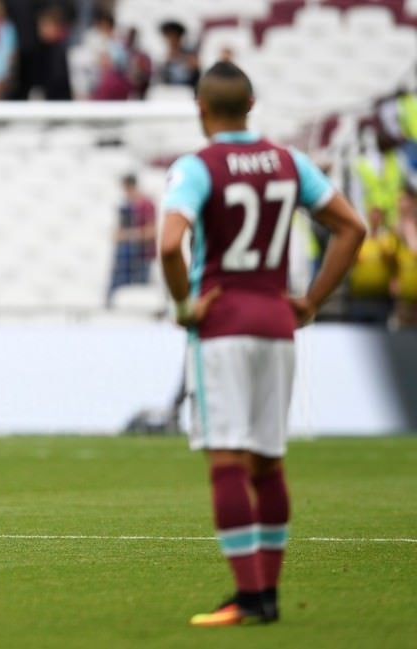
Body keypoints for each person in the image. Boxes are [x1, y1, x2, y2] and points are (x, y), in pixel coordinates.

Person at [159, 62, 365, 626]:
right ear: (252, 106)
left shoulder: (196, 168)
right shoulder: (289, 162)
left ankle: (248, 597)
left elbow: (171, 246)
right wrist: (312, 300)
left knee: (226, 461)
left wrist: (183, 308)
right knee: (268, 463)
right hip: (277, 323)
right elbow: (352, 228)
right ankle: (267, 594)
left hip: (222, 326)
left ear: (201, 109)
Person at [107, 174, 156, 307]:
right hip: (126, 258)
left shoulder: (146, 204)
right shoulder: (125, 205)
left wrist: (128, 235)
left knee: (139, 296)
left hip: (141, 257)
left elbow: (152, 231)